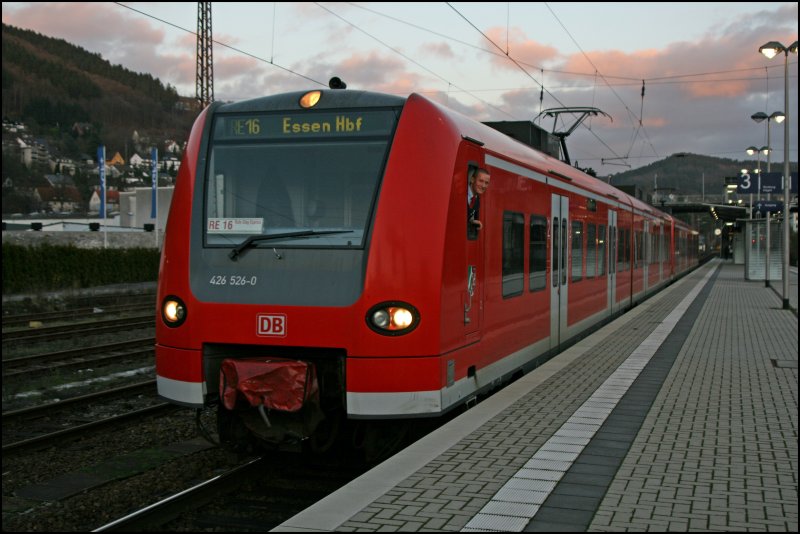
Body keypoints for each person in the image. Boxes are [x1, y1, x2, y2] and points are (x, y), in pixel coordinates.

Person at [468, 166, 490, 231]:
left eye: (486, 183)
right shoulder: (461, 195)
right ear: (472, 180)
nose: (483, 186)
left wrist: (471, 221)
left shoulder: (477, 200)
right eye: (481, 181)